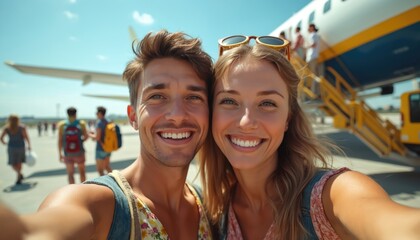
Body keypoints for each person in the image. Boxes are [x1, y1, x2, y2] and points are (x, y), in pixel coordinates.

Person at [2, 29, 214, 239]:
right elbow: (37, 231)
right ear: (133, 117)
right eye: (157, 96)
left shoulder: (207, 205)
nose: (177, 115)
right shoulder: (102, 206)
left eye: (194, 97)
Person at [199, 40, 420, 239]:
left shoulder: (329, 197)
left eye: (268, 103)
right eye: (229, 101)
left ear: (288, 119)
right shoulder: (217, 210)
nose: (246, 122)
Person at [58, 107, 89, 184]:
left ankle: (73, 191)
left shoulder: (62, 124)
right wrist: (80, 141)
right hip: (79, 152)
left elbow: (60, 140)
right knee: (82, 172)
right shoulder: (81, 123)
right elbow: (86, 136)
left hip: (67, 153)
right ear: (76, 114)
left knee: (70, 174)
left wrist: (60, 153)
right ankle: (83, 189)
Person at [0, 114, 31, 184]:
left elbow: (1, 138)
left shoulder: (7, 128)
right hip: (20, 147)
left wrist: (4, 143)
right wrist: (29, 145)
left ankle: (18, 176)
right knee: (19, 162)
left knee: (13, 163)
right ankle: (19, 174)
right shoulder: (21, 127)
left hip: (12, 147)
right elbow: (26, 137)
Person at [89, 106, 113, 176]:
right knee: (107, 167)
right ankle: (115, 181)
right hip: (108, 148)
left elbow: (97, 137)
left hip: (100, 148)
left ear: (100, 113)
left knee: (100, 170)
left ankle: (104, 185)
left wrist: (90, 134)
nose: (96, 114)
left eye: (96, 112)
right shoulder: (108, 121)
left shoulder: (99, 123)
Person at [306, 23, 321, 98]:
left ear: (312, 28)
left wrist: (306, 47)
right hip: (315, 56)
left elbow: (313, 44)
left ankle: (313, 93)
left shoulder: (313, 35)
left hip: (312, 56)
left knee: (312, 76)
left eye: (308, 27)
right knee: (316, 76)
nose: (308, 29)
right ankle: (318, 93)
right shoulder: (317, 35)